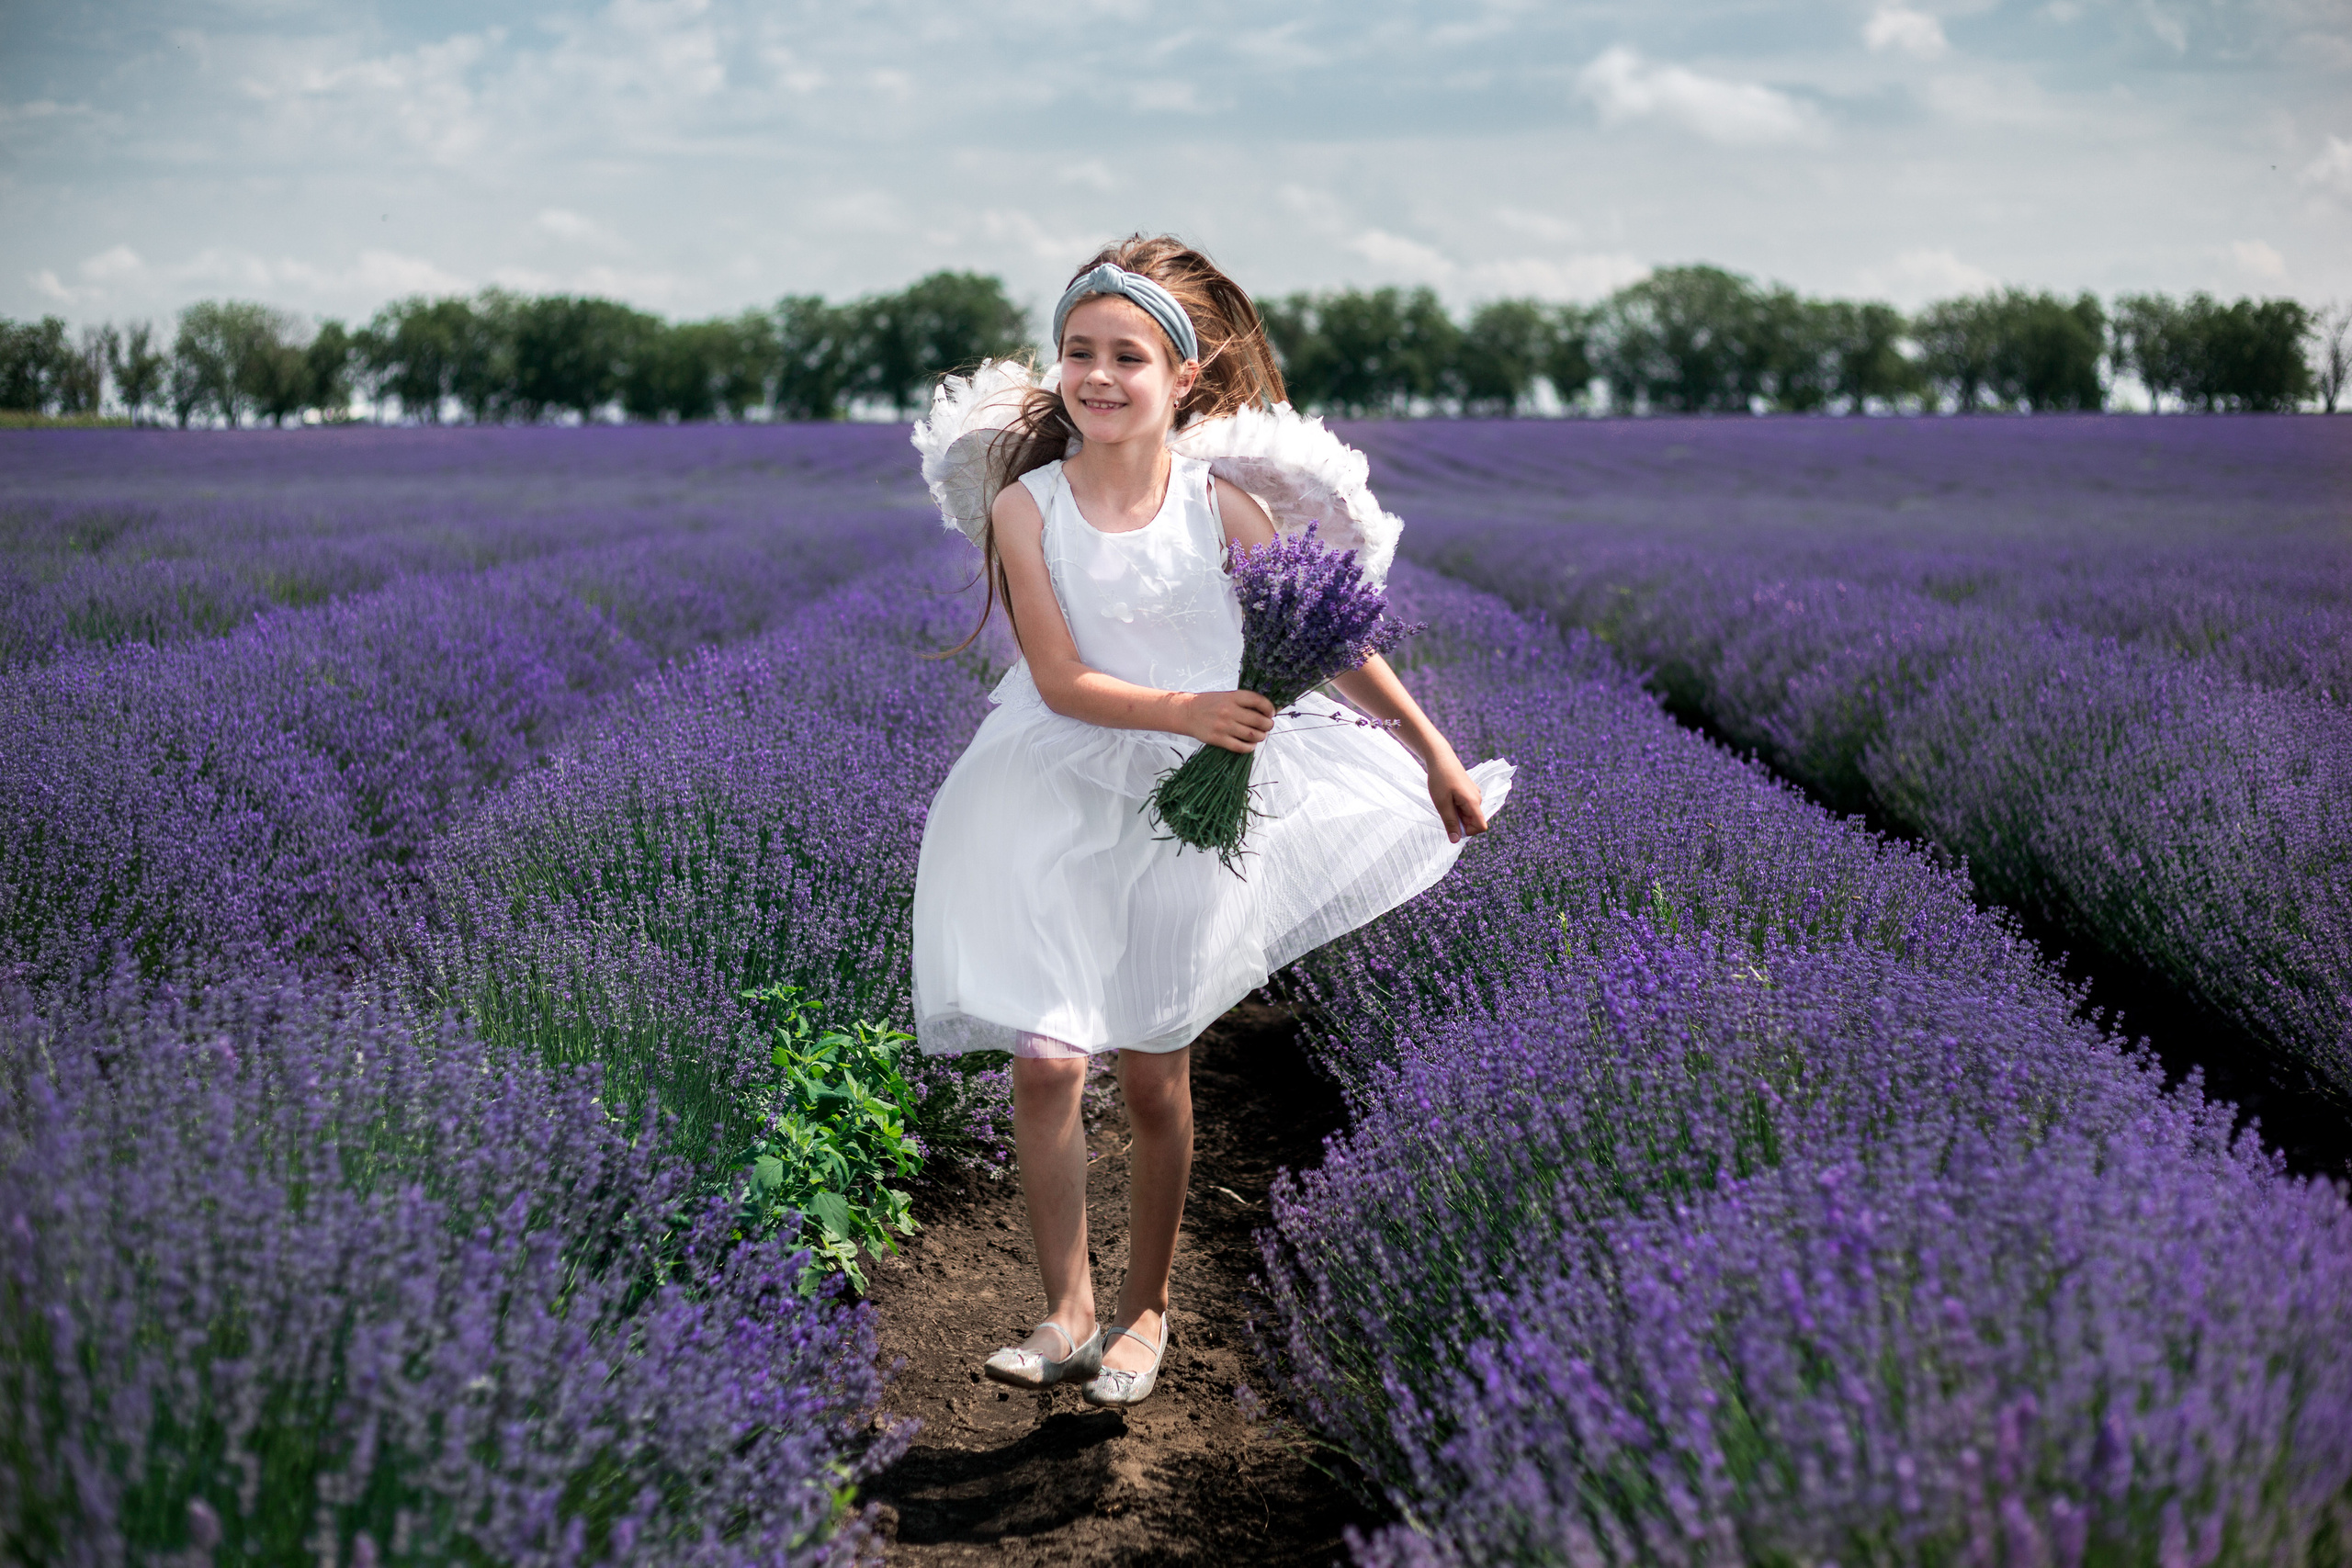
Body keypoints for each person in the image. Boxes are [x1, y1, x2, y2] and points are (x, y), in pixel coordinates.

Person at [908, 234, 1511, 1408]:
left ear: (1181, 380)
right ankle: (1068, 1307)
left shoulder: (1218, 503)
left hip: (1186, 815)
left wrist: (1431, 749)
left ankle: (1146, 1310)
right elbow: (1062, 676)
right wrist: (1188, 705)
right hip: (1046, 787)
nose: (1096, 374)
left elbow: (1325, 640)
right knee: (1044, 1059)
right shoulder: (1027, 509)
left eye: (1126, 356)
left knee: (1151, 1071)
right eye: (1077, 352)